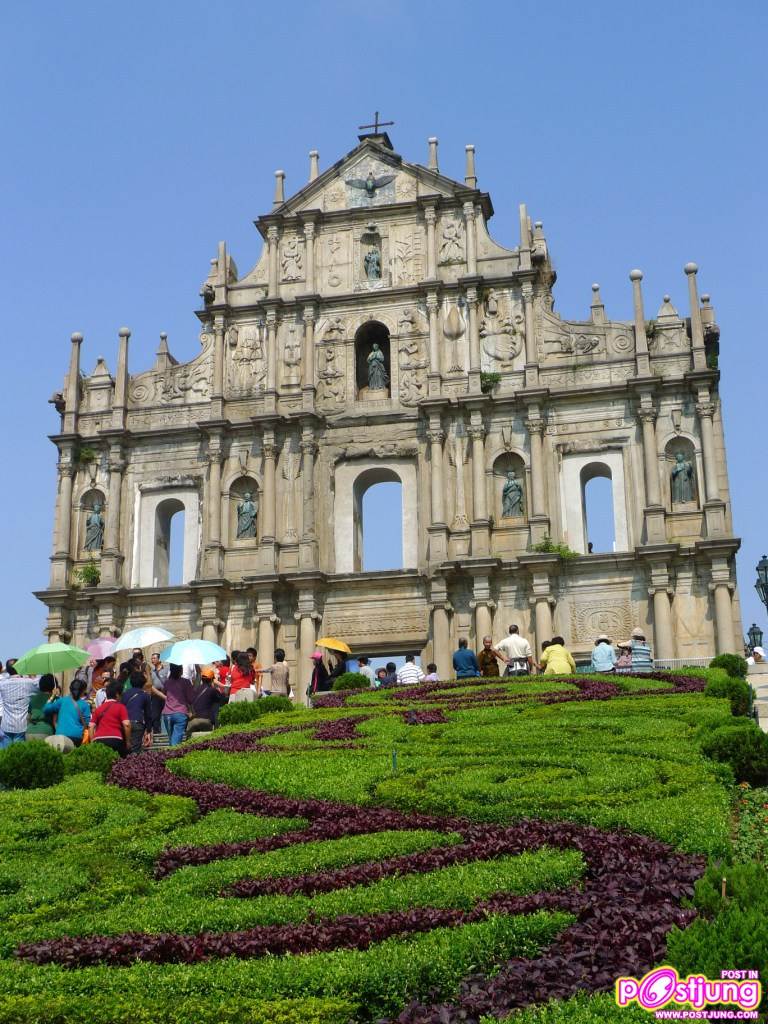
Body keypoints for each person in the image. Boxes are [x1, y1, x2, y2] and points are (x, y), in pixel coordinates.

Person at [0, 666, 42, 746]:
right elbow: (41, 683)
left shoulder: (2, 683)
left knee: (5, 754)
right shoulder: (28, 683)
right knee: (18, 754)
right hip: (21, 725)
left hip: (6, 724)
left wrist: (2, 670)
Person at [43, 678, 91, 746]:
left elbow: (46, 709)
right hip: (77, 736)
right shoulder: (85, 705)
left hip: (61, 735)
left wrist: (52, 696)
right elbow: (86, 723)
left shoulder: (62, 701)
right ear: (82, 691)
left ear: (70, 689)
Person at [91, 679, 131, 756]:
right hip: (115, 739)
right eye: (121, 694)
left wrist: (93, 741)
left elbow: (91, 726)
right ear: (117, 694)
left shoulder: (99, 708)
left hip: (99, 739)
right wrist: (128, 742)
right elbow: (127, 725)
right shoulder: (121, 707)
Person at [186, 668, 228, 735]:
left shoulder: (195, 690)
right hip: (205, 720)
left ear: (202, 679)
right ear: (211, 680)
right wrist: (225, 693)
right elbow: (222, 700)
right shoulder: (212, 690)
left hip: (193, 720)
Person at [162, 664, 195, 746]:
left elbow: (164, 692)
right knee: (175, 741)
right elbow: (191, 699)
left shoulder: (167, 682)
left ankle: (170, 756)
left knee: (171, 739)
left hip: (167, 714)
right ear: (181, 670)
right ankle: (173, 756)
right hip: (180, 713)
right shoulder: (186, 682)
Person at [122, 671, 153, 754]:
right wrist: (149, 730)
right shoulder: (145, 695)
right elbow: (148, 714)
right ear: (143, 682)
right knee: (135, 749)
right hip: (138, 723)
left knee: (126, 748)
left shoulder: (124, 694)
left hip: (125, 723)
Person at [149, 652, 168, 734]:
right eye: (152, 658)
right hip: (155, 695)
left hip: (165, 695)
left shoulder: (166, 669)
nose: (152, 660)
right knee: (155, 715)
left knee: (166, 714)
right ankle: (157, 733)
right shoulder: (151, 672)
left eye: (154, 658)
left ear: (159, 659)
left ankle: (167, 732)